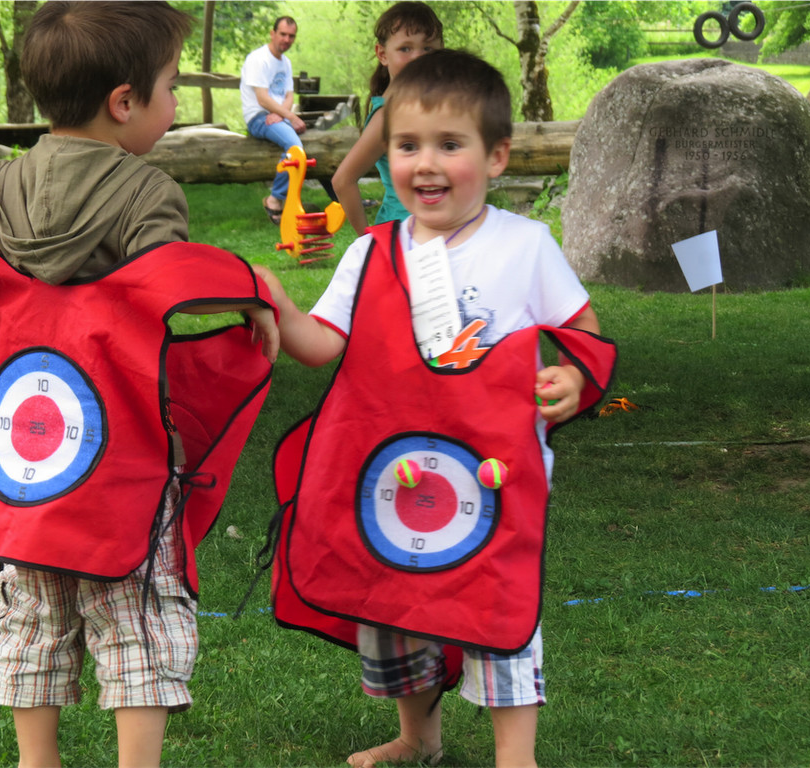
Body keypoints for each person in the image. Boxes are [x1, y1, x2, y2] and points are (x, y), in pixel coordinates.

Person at [0, 3, 279, 766]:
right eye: (169, 89)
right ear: (124, 102)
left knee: (34, 613)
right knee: (136, 614)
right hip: (122, 458)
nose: (173, 107)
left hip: (27, 462)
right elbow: (167, 291)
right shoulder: (146, 194)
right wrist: (250, 291)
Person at [257, 50, 614, 768]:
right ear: (385, 155)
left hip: (494, 477)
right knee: (398, 602)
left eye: (450, 146)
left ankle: (518, 755)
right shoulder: (370, 252)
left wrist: (573, 377)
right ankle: (416, 736)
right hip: (394, 473)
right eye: (407, 146)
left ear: (497, 156)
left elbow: (585, 333)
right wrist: (275, 301)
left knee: (493, 601)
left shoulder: (526, 245)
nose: (425, 164)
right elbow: (323, 343)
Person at [331, 1, 442, 236]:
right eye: (405, 49)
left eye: (428, 49)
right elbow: (343, 181)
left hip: (436, 230)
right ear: (382, 54)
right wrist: (369, 241)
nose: (418, 58)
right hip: (402, 234)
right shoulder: (387, 117)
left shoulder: (433, 107)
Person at [239, 15, 305, 224]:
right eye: (283, 34)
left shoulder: (286, 63)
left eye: (291, 36)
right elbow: (262, 98)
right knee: (295, 147)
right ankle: (274, 199)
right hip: (258, 118)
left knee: (309, 146)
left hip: (276, 116)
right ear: (273, 33)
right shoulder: (258, 59)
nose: (286, 39)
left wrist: (281, 114)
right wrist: (290, 116)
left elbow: (288, 96)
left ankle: (336, 198)